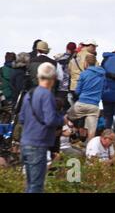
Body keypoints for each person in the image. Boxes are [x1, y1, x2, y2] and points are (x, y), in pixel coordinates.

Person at [19, 62, 64, 193]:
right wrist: (62, 119)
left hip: (25, 142)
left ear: (38, 76)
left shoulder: (29, 94)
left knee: (30, 184)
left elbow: (21, 118)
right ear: (53, 78)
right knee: (36, 186)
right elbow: (50, 120)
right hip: (38, 143)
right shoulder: (46, 94)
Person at [66, 54, 105, 142]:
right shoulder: (102, 75)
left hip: (82, 104)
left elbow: (77, 91)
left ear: (86, 63)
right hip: (94, 106)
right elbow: (103, 90)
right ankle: (90, 152)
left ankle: (71, 134)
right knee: (92, 132)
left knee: (67, 117)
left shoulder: (84, 74)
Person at [54, 42, 77, 112]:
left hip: (60, 87)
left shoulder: (59, 59)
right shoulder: (76, 60)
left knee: (58, 108)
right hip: (71, 87)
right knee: (70, 109)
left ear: (66, 48)